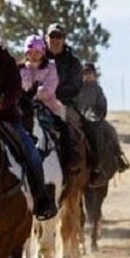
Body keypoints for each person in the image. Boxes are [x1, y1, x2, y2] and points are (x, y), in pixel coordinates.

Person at [0, 20, 58, 220]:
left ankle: (41, 199)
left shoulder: (6, 62)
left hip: (5, 118)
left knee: (31, 152)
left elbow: (15, 90)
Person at [45, 22, 98, 180]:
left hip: (65, 104)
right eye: (52, 36)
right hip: (37, 103)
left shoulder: (73, 63)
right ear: (46, 38)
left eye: (59, 37)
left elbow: (76, 86)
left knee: (88, 126)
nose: (55, 40)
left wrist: (53, 93)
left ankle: (93, 167)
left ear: (64, 39)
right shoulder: (38, 57)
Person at [19, 34, 77, 166]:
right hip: (24, 107)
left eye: (37, 52)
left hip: (48, 106)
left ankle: (70, 158)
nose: (34, 55)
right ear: (26, 52)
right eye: (30, 52)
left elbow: (50, 87)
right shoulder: (20, 69)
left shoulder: (50, 67)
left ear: (43, 53)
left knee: (63, 127)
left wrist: (31, 94)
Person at [77, 62, 128, 174]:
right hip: (78, 118)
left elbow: (103, 105)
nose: (87, 75)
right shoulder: (77, 89)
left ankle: (118, 157)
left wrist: (99, 114)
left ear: (94, 75)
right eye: (85, 73)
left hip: (95, 118)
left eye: (90, 73)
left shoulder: (98, 90)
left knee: (111, 130)